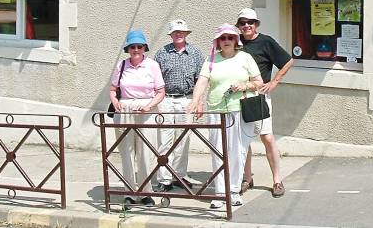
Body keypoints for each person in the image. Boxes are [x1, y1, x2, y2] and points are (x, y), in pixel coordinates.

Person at [186, 23, 263, 209]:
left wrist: (244, 86)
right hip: (216, 110)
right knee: (218, 152)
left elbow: (259, 82)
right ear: (218, 41)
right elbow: (202, 83)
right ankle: (220, 193)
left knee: (237, 151)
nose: (226, 41)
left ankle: (234, 191)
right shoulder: (211, 59)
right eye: (223, 38)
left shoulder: (245, 58)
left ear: (235, 40)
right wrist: (196, 101)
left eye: (230, 37)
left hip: (239, 109)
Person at [236, 8, 293, 198]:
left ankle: (277, 180)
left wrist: (275, 82)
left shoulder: (266, 41)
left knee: (267, 138)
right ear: (239, 25)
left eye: (250, 22)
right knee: (243, 140)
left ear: (256, 24)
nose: (246, 26)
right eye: (243, 23)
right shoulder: (234, 42)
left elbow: (288, 61)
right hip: (239, 97)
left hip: (259, 97)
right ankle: (247, 178)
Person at [108, 29, 165, 209]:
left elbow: (161, 92)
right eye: (132, 46)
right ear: (128, 48)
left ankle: (146, 191)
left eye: (139, 46)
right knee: (126, 152)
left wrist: (149, 106)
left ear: (144, 48)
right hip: (125, 109)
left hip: (146, 110)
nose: (136, 50)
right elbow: (112, 89)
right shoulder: (121, 65)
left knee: (146, 152)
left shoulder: (152, 65)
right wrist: (115, 101)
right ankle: (129, 193)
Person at [154, 19, 204, 192]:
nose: (178, 34)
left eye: (182, 31)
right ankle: (164, 178)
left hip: (187, 99)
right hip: (166, 99)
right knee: (165, 139)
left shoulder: (196, 53)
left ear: (187, 34)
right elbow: (155, 79)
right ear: (171, 34)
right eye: (175, 32)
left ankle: (179, 175)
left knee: (184, 139)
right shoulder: (161, 53)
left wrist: (199, 102)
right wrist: (157, 101)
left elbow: (201, 81)